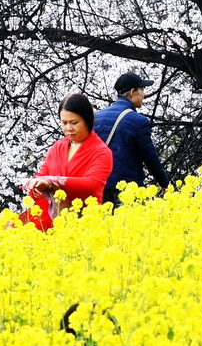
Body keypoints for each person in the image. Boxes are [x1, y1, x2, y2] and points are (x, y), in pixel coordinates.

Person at [25, 93, 113, 230]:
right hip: (53, 225)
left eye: (74, 123)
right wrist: (36, 186)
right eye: (64, 123)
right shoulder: (57, 147)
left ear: (87, 120)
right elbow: (42, 175)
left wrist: (53, 181)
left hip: (85, 224)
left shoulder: (101, 152)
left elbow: (92, 184)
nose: (68, 128)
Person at [94, 70, 164, 201]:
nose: (144, 94)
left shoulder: (96, 117)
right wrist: (165, 184)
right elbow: (150, 158)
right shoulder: (138, 121)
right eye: (142, 89)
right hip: (126, 188)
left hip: (100, 187)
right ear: (132, 92)